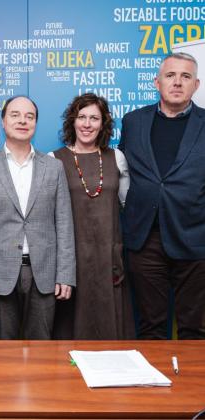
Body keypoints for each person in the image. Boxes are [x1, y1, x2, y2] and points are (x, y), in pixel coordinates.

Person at [0, 96, 75, 340]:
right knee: (4, 348)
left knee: (41, 347)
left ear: (36, 123)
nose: (23, 121)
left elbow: (64, 224)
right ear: (3, 121)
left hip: (44, 274)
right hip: (0, 276)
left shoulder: (54, 167)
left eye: (30, 116)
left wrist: (65, 274)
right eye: (15, 115)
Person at [119, 52, 205, 339]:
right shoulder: (133, 121)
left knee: (194, 327)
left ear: (196, 84)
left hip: (195, 240)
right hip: (145, 240)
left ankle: (191, 373)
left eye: (185, 76)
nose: (177, 82)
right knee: (150, 326)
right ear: (157, 82)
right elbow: (123, 171)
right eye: (170, 75)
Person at [51, 93, 135, 340]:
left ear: (103, 123)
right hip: (71, 258)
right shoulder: (54, 160)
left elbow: (127, 205)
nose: (87, 124)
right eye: (82, 117)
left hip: (109, 257)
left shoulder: (116, 157)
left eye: (94, 118)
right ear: (73, 121)